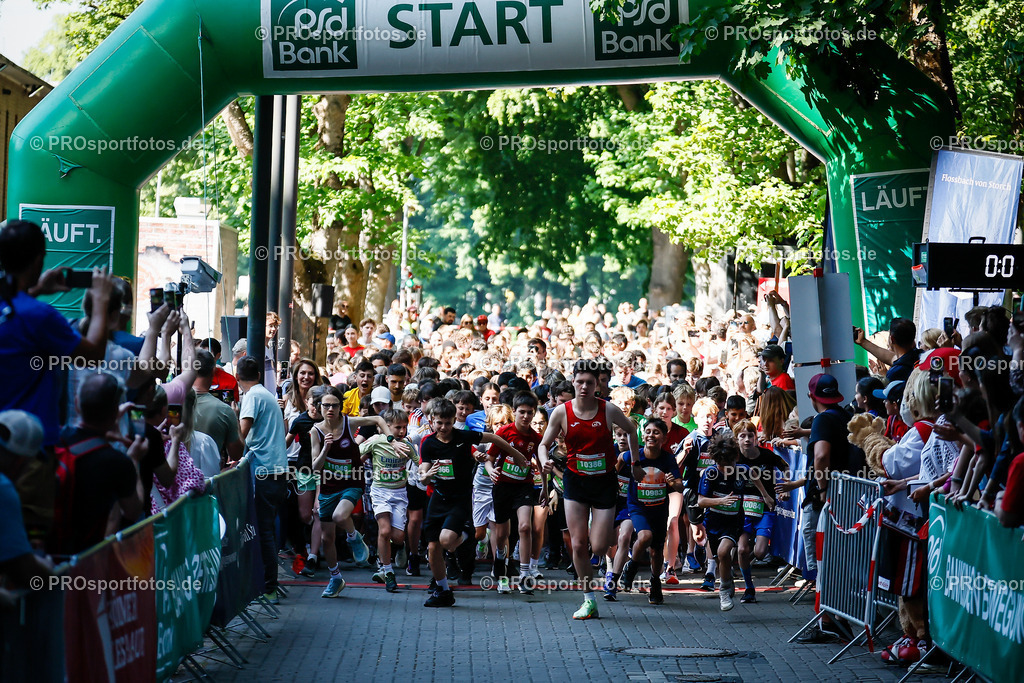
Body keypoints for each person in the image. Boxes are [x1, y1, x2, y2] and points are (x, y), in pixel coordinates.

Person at [538, 359, 640, 620]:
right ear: (573, 382)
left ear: (597, 385)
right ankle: (589, 599)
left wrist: (635, 462)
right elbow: (543, 444)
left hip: (604, 482)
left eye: (589, 383)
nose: (584, 387)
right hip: (576, 482)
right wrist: (544, 460)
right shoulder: (562, 412)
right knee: (579, 543)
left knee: (598, 546)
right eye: (580, 382)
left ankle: (602, 559)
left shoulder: (608, 410)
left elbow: (631, 430)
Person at [0, 219, 115, 448]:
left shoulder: (21, 311)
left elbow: (14, 315)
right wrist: (101, 300)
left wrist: (37, 290)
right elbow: (92, 355)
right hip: (29, 446)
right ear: (38, 260)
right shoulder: (41, 316)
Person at [419, 398, 528, 608]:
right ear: (432, 421)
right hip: (438, 498)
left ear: (454, 422)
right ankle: (443, 591)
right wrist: (425, 476)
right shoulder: (429, 443)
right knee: (433, 548)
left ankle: (467, 533)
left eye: (448, 423)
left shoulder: (464, 436)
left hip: (460, 499)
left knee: (446, 541)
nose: (443, 428)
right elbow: (423, 470)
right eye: (439, 423)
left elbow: (495, 438)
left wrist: (517, 454)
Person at [50, 373, 146, 556]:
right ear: (114, 412)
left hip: (50, 553)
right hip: (87, 559)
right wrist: (134, 459)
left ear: (77, 404)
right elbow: (133, 511)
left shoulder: (56, 439)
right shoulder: (118, 463)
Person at [312, 386, 393, 598]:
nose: (330, 409)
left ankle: (354, 537)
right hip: (328, 487)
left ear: (341, 407)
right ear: (320, 407)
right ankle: (335, 578)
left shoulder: (350, 422)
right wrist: (325, 449)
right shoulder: (316, 431)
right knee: (326, 538)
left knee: (340, 515)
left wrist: (391, 438)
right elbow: (314, 468)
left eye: (334, 405)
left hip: (352, 483)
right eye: (326, 405)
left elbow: (377, 420)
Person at [796, 373, 855, 643]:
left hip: (827, 500)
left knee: (825, 562)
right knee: (834, 561)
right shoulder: (843, 416)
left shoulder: (822, 419)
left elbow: (820, 456)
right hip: (845, 498)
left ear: (811, 396)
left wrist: (821, 490)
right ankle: (833, 620)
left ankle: (830, 622)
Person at [236, 355, 289, 604]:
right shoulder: (265, 394)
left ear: (238, 378)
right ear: (258, 375)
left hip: (264, 473)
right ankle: (270, 583)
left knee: (264, 532)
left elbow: (241, 435)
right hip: (276, 472)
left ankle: (269, 587)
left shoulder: (253, 397)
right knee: (267, 530)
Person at [619, 419, 684, 606]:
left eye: (656, 432)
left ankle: (655, 582)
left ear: (664, 438)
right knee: (645, 536)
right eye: (647, 431)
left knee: (656, 552)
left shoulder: (668, 459)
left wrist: (673, 483)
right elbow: (619, 459)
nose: (651, 435)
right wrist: (613, 481)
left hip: (659, 508)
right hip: (638, 506)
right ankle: (631, 565)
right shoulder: (635, 456)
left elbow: (679, 486)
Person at [487, 391, 542, 595]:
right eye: (522, 412)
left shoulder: (536, 438)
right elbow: (489, 458)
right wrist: (491, 471)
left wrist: (544, 487)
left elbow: (542, 464)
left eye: (530, 413)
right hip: (502, 486)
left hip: (524, 486)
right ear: (515, 412)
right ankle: (501, 567)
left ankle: (525, 575)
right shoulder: (504, 432)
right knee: (502, 535)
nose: (526, 416)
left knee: (525, 527)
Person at [360, 408, 414, 593]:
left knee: (397, 536)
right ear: (385, 428)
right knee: (384, 530)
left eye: (404, 427)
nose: (401, 431)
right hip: (380, 492)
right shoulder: (376, 441)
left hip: (399, 493)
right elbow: (357, 455)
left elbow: (420, 461)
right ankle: (388, 571)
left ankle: (387, 556)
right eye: (397, 427)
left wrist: (426, 471)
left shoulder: (407, 444)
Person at [733, 419, 787, 603]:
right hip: (742, 510)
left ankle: (744, 562)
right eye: (742, 436)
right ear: (736, 439)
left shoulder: (766, 455)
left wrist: (785, 487)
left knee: (760, 552)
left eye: (750, 435)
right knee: (741, 550)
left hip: (764, 508)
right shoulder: (735, 459)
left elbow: (785, 466)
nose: (747, 439)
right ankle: (749, 588)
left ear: (756, 437)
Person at [697, 433, 746, 611]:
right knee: (719, 557)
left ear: (736, 458)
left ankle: (723, 591)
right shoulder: (710, 474)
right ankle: (728, 580)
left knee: (724, 552)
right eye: (721, 465)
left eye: (729, 465)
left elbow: (756, 477)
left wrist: (766, 495)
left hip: (734, 521)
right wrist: (720, 501)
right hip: (714, 520)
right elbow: (701, 501)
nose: (725, 469)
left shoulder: (741, 471)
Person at [193, 349, 244, 467]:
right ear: (213, 371)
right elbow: (236, 454)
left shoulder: (173, 404)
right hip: (210, 478)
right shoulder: (225, 410)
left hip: (177, 479)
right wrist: (235, 418)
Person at [854, 317, 921, 383]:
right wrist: (862, 342)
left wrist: (883, 377)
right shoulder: (921, 355)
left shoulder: (894, 374)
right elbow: (891, 357)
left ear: (892, 339)